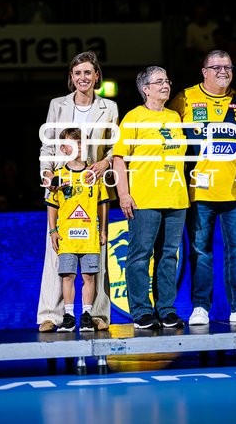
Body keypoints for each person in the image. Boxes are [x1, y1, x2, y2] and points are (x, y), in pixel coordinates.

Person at [169, 50, 236, 326]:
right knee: (200, 250)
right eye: (216, 66)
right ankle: (200, 307)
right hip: (199, 190)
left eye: (228, 67)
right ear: (204, 71)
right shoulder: (184, 99)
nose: (223, 71)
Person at [37, 51, 118, 332]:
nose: (83, 78)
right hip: (64, 187)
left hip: (93, 188)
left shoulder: (109, 107)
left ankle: (97, 315)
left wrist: (104, 163)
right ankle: (51, 314)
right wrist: (47, 172)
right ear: (71, 78)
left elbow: (114, 147)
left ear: (97, 76)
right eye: (77, 73)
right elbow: (47, 145)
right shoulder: (56, 105)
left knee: (97, 258)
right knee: (57, 252)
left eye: (88, 72)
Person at [112, 66, 189, 330]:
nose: (165, 85)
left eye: (167, 80)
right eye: (159, 82)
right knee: (140, 255)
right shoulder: (134, 117)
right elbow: (118, 158)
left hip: (176, 197)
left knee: (169, 256)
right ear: (146, 89)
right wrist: (123, 194)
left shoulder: (175, 116)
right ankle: (142, 311)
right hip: (144, 198)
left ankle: (166, 309)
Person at [45, 128, 109, 332]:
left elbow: (103, 202)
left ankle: (87, 314)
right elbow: (52, 205)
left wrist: (103, 230)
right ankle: (69, 315)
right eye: (72, 144)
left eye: (81, 143)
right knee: (68, 276)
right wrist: (53, 231)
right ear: (63, 148)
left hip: (89, 236)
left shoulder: (94, 174)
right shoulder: (58, 177)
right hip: (67, 237)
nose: (78, 148)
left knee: (89, 276)